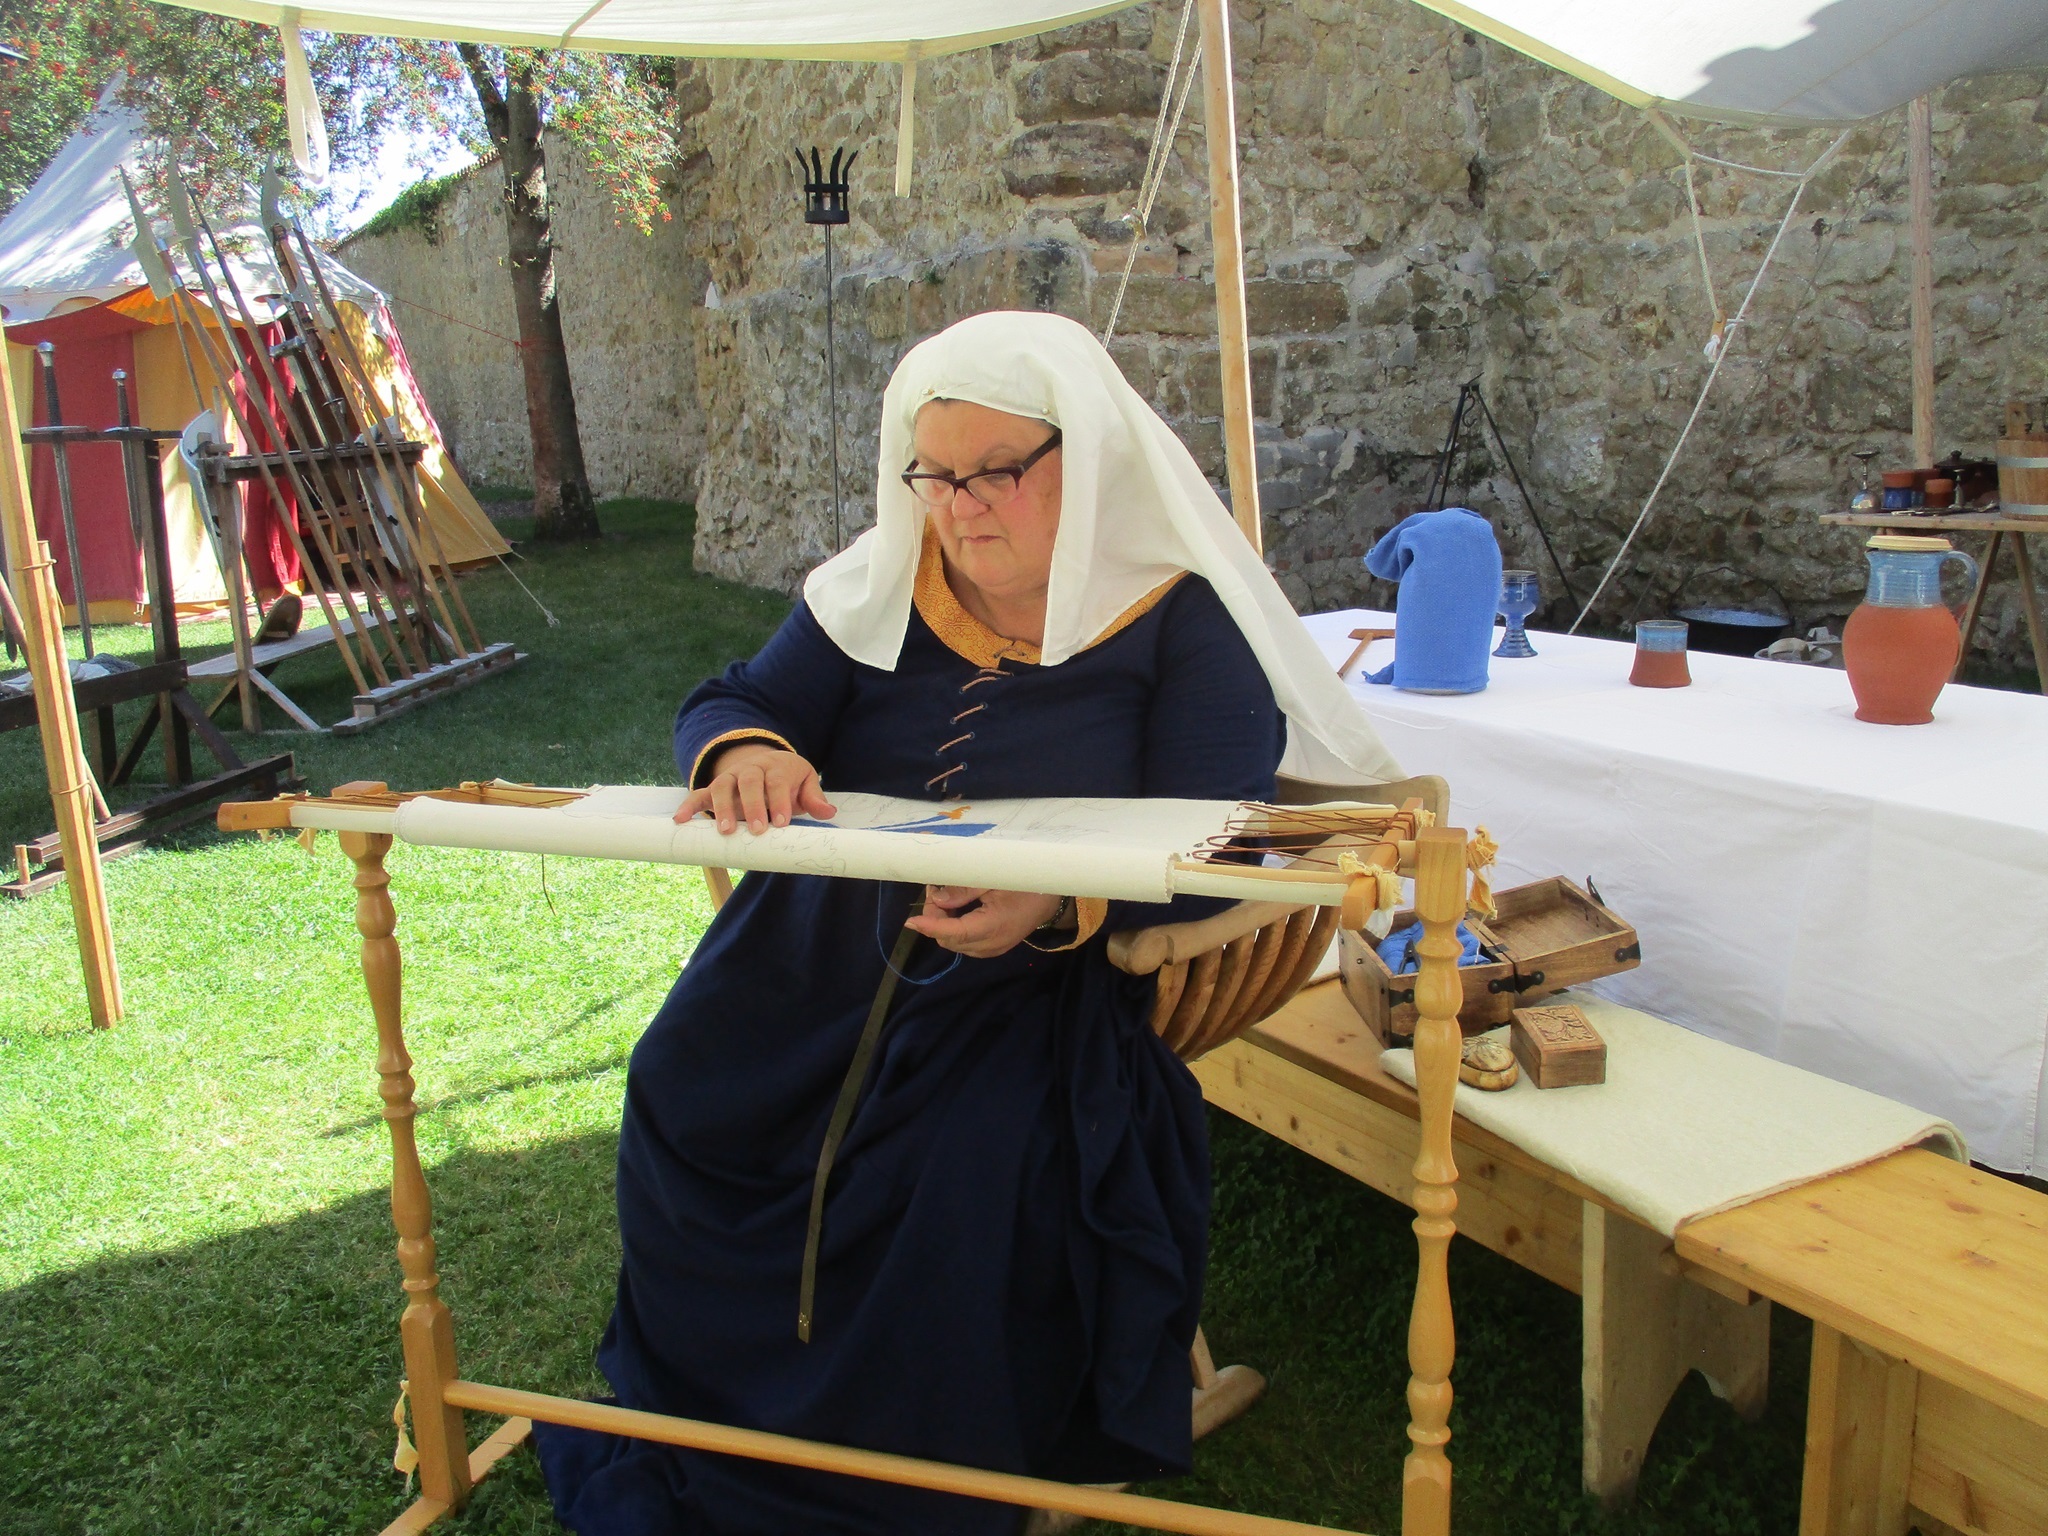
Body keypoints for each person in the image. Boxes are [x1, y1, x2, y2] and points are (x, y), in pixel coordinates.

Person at [535, 311, 1399, 1534]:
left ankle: (903, 1469)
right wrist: (743, 749)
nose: (958, 506)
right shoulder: (884, 585)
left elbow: (1224, 843)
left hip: (1032, 981)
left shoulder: (1177, 618)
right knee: (685, 1082)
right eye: (934, 475)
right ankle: (710, 1408)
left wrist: (1059, 898)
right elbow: (731, 697)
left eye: (995, 471)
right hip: (805, 950)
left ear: (1083, 457)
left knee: (958, 1157)